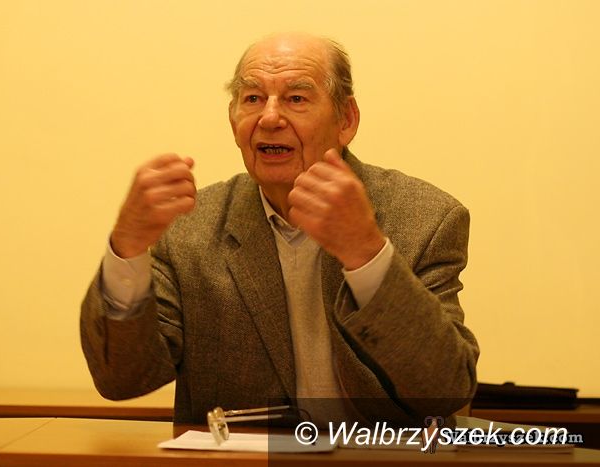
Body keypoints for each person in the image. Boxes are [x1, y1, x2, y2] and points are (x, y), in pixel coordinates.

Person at [81, 32, 479, 425]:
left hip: (379, 454)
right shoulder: (189, 228)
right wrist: (127, 248)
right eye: (253, 98)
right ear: (233, 120)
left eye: (296, 98)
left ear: (346, 120)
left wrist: (366, 253)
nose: (269, 118)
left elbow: (445, 389)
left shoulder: (426, 218)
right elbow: (122, 379)